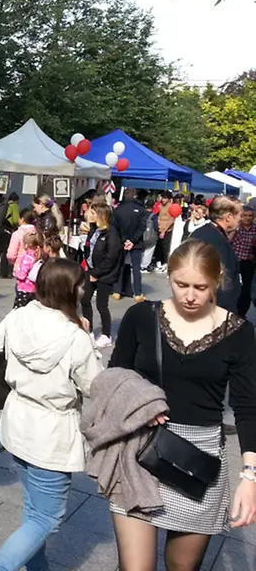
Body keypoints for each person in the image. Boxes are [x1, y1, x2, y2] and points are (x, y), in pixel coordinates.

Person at [107, 239, 256, 569]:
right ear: (169, 277)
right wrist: (141, 404)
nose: (190, 295)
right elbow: (115, 377)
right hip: (139, 452)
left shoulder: (240, 333)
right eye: (180, 284)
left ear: (217, 282)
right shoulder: (141, 316)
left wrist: (250, 477)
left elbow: (248, 407)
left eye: (200, 287)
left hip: (197, 462)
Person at [0, 259, 101, 571]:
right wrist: (90, 342)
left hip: (16, 422)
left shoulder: (18, 316)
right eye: (81, 284)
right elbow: (94, 386)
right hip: (52, 434)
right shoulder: (75, 336)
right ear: (71, 290)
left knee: (34, 511)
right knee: (46, 518)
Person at [191, 195, 243, 312]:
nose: (241, 219)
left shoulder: (202, 232)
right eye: (240, 215)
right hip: (214, 310)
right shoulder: (217, 241)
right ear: (229, 217)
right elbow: (223, 283)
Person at [81, 205, 122, 348]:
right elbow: (89, 248)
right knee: (85, 299)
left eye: (93, 213)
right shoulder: (94, 229)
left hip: (105, 275)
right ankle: (89, 330)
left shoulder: (112, 234)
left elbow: (111, 257)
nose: (89, 215)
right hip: (91, 270)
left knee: (101, 305)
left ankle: (106, 334)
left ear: (101, 215)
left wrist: (96, 273)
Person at [110, 188, 149, 303]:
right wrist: (132, 240)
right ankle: (137, 293)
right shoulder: (141, 210)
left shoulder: (118, 210)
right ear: (135, 196)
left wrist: (124, 240)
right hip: (136, 242)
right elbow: (142, 227)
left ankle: (117, 291)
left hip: (122, 241)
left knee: (120, 266)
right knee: (136, 268)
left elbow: (115, 227)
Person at [230, 205, 256, 316]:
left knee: (246, 289)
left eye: (250, 216)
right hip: (234, 261)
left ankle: (241, 313)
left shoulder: (255, 229)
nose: (247, 218)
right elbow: (227, 241)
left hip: (248, 263)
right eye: (245, 215)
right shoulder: (236, 227)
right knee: (232, 287)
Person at [0, 192, 20, 279]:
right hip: (6, 229)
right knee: (5, 250)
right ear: (16, 200)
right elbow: (15, 220)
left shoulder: (1, 205)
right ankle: (4, 273)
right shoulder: (14, 206)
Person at [13, 232, 42, 309]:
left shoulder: (27, 258)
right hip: (34, 289)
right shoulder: (37, 256)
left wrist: (16, 272)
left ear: (26, 245)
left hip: (24, 288)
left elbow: (22, 275)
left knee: (19, 310)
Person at [153, 191, 176, 273]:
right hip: (159, 228)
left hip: (167, 230)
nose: (163, 200)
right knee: (158, 246)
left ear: (169, 199)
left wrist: (164, 231)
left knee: (165, 247)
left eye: (165, 198)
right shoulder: (160, 206)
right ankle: (158, 262)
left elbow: (171, 220)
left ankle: (165, 263)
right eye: (162, 198)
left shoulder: (171, 207)